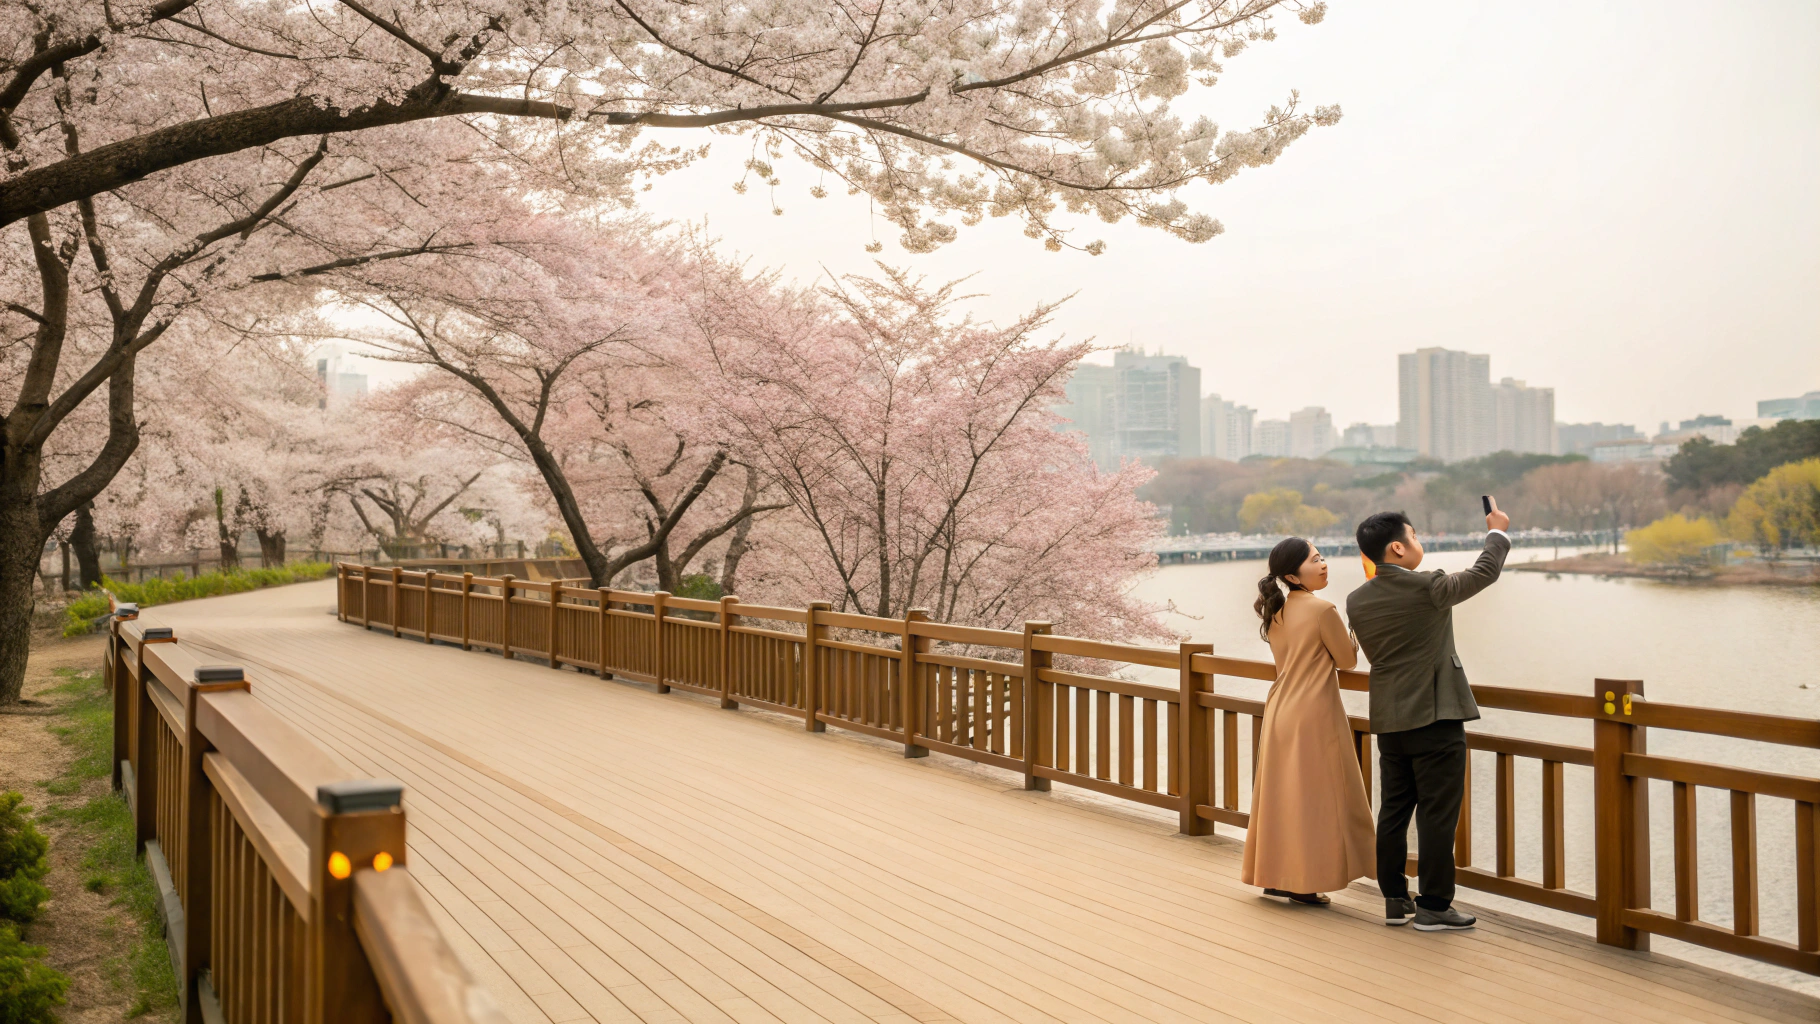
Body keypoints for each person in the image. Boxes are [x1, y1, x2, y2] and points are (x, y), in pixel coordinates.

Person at [1347, 500, 1511, 932]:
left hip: (1389, 718)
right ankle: (1435, 905)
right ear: (1397, 548)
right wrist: (1497, 533)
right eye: (1415, 535)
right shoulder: (1428, 587)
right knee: (1437, 815)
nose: (1419, 542)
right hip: (1436, 716)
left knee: (1394, 811)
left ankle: (1395, 898)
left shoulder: (1357, 600)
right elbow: (1483, 574)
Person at [1240, 537, 1376, 906]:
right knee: (1317, 798)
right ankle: (1306, 883)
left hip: (1281, 708)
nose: (1324, 564)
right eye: (1315, 560)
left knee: (1283, 797)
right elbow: (1346, 661)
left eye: (1322, 557)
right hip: (1314, 712)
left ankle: (1276, 877)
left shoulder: (1276, 612)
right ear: (1292, 575)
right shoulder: (1322, 609)